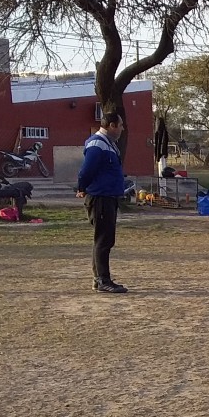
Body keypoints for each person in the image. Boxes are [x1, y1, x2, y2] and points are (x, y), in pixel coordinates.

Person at [75, 112, 128, 293]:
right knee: (104, 240)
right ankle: (103, 280)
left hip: (108, 197)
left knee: (104, 239)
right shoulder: (98, 144)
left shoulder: (109, 145)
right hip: (100, 198)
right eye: (120, 125)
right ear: (112, 125)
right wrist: (81, 187)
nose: (122, 129)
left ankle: (99, 279)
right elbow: (86, 170)